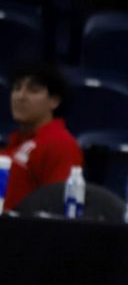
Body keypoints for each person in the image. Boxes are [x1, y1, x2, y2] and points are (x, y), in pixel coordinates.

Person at [2, 62, 82, 211]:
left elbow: (58, 208)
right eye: (17, 88)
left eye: (33, 90)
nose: (21, 96)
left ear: (54, 101)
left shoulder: (61, 144)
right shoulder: (16, 142)